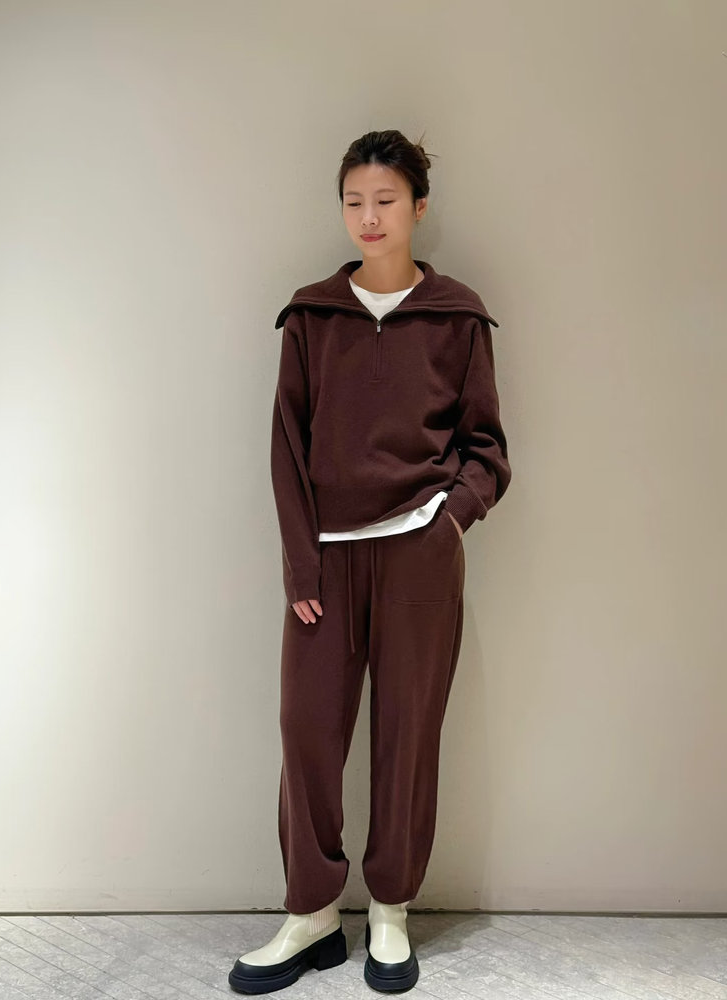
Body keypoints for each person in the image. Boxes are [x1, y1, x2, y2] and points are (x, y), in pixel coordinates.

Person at [229, 129, 511, 995]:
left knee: (407, 734)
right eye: (354, 201)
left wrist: (449, 521)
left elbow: (487, 450)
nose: (369, 217)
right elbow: (286, 449)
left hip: (419, 555)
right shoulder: (311, 316)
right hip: (328, 560)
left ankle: (390, 910)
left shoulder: (457, 317)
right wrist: (299, 564)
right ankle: (312, 913)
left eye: (385, 200)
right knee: (307, 730)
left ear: (419, 207)